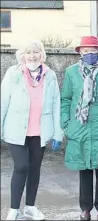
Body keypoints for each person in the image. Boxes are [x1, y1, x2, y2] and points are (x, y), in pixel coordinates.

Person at [1, 40, 64, 220]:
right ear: (23, 55)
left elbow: (56, 103)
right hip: (16, 130)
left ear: (41, 54)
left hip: (40, 130)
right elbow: (3, 101)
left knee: (35, 169)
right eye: (29, 52)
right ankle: (13, 209)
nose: (32, 56)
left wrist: (58, 132)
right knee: (22, 166)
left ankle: (30, 207)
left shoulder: (49, 74)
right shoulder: (13, 73)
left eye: (36, 52)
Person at [60, 36, 98, 221]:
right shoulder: (71, 72)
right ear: (80, 52)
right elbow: (66, 98)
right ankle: (85, 209)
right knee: (84, 169)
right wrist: (66, 123)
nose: (89, 54)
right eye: (85, 50)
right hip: (80, 126)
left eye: (93, 50)